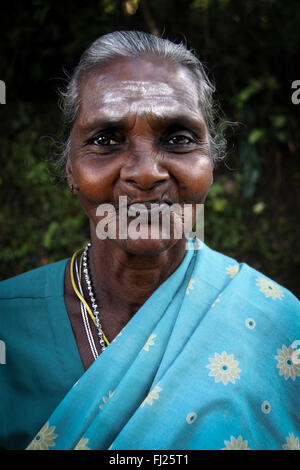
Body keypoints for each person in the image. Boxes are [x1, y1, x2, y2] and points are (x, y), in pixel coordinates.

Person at [0, 31, 299, 451]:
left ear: (210, 161)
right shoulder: (7, 328)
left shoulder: (277, 325)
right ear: (70, 168)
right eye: (105, 139)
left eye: (178, 139)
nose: (145, 173)